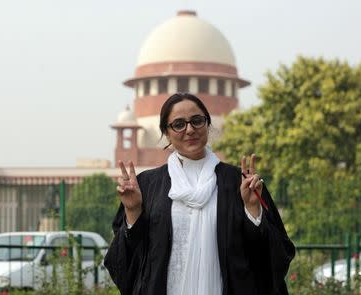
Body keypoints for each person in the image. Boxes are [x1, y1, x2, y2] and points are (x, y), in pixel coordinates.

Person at [104, 93, 295, 295]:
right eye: (178, 124)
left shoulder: (239, 183)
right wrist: (133, 212)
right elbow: (127, 260)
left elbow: (273, 255)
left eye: (197, 121)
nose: (190, 130)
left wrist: (252, 212)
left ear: (207, 124)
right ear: (166, 133)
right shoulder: (148, 185)